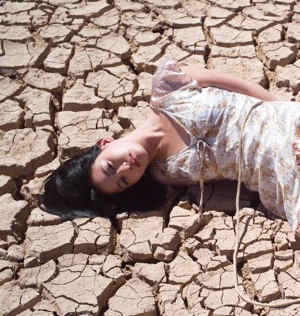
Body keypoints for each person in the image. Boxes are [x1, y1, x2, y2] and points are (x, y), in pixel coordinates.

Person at [41, 58, 300, 236]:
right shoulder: (166, 173)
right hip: (279, 178)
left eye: (110, 165)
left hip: (285, 125)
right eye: (123, 181)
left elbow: (235, 84)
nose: (125, 168)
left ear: (105, 143)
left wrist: (284, 112)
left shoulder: (168, 84)